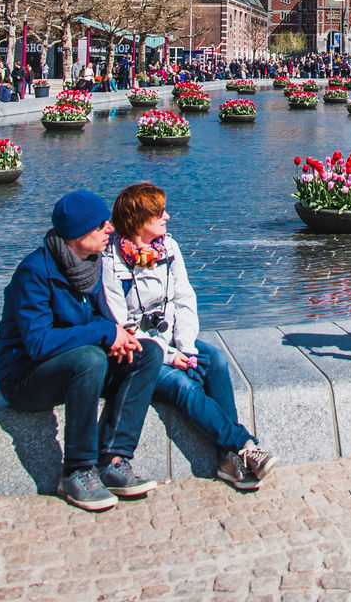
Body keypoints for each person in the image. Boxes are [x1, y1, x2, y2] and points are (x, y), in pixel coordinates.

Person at [0, 190, 163, 512]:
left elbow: (97, 317)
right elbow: (38, 343)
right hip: (25, 378)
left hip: (76, 367)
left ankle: (114, 460)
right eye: (101, 226)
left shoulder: (90, 263)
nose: (109, 230)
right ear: (78, 235)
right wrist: (102, 333)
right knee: (89, 358)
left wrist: (119, 337)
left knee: (147, 352)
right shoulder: (34, 272)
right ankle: (77, 470)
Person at [102, 182, 276, 491]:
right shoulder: (110, 260)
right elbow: (122, 326)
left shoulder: (169, 247)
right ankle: (244, 445)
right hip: (140, 355)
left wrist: (186, 347)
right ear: (137, 220)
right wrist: (171, 357)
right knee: (183, 385)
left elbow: (185, 299)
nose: (167, 217)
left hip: (173, 342)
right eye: (158, 213)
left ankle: (228, 459)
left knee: (216, 360)